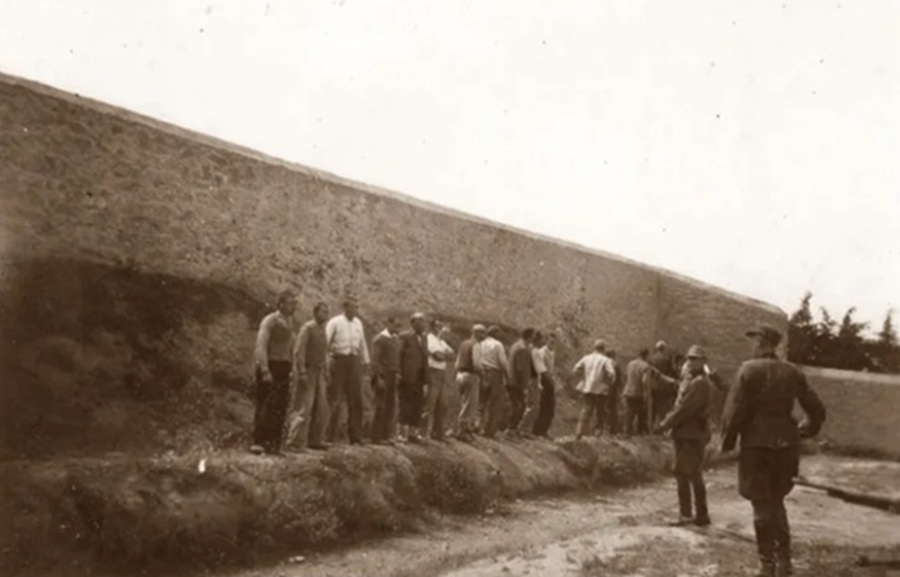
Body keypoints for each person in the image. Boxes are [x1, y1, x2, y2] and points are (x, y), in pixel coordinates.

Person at [721, 323, 826, 577]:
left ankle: (766, 565)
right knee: (777, 501)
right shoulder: (793, 371)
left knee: (761, 504)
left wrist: (727, 443)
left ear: (764, 342)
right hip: (787, 446)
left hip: (756, 445)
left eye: (755, 341)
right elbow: (817, 409)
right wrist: (807, 429)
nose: (753, 346)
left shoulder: (748, 369)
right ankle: (784, 561)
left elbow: (734, 412)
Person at [654, 345, 713, 527]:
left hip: (690, 433)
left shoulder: (700, 383)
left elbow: (685, 409)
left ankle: (686, 514)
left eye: (695, 359)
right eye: (690, 358)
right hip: (690, 432)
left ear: (703, 361)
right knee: (694, 473)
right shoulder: (695, 381)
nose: (691, 362)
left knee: (682, 472)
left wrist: (664, 424)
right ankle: (701, 515)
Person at [251, 289, 297, 455]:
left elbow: (290, 347)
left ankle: (274, 444)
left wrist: (292, 367)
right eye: (290, 303)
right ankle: (258, 442)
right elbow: (261, 345)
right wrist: (264, 369)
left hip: (284, 367)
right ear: (281, 304)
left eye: (295, 303)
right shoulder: (270, 320)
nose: (293, 306)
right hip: (270, 365)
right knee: (265, 404)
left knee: (280, 406)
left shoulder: (289, 321)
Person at [325, 295, 370, 445]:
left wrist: (366, 362)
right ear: (345, 307)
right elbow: (326, 342)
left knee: (356, 399)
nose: (355, 310)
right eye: (352, 307)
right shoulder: (335, 322)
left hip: (354, 361)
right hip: (339, 360)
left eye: (356, 307)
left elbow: (362, 343)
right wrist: (327, 360)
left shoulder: (358, 323)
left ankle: (355, 436)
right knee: (335, 399)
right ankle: (328, 436)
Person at [286, 301, 330, 451]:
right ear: (315, 312)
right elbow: (299, 351)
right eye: (323, 312)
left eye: (327, 312)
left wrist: (325, 371)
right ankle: (295, 442)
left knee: (321, 408)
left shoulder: (323, 330)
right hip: (308, 371)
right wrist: (302, 371)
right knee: (304, 406)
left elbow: (324, 353)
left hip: (319, 373)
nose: (326, 315)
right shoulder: (307, 328)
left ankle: (315, 440)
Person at [571, 339, 616, 440]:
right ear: (603, 349)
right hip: (601, 390)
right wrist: (609, 383)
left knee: (585, 410)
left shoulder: (586, 358)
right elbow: (612, 374)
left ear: (594, 348)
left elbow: (575, 370)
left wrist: (583, 378)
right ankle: (597, 434)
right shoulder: (606, 360)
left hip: (587, 388)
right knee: (600, 412)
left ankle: (579, 432)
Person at [398, 312, 429, 443]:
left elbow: (425, 358)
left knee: (417, 405)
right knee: (406, 404)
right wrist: (399, 373)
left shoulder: (424, 338)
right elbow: (399, 355)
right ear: (413, 323)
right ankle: (402, 433)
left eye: (423, 321)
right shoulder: (405, 336)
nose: (423, 324)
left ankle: (413, 433)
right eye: (420, 321)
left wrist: (426, 378)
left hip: (420, 377)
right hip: (407, 376)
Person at [370, 316, 401, 444]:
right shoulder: (379, 339)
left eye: (399, 326)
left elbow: (396, 359)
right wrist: (378, 378)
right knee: (380, 405)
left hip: (392, 375)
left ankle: (386, 435)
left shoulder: (395, 339)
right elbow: (375, 361)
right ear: (389, 324)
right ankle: (376, 436)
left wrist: (397, 373)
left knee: (390, 405)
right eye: (396, 325)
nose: (398, 328)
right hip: (383, 375)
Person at [424, 320, 456, 441]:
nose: (440, 328)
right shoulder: (429, 339)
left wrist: (443, 355)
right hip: (433, 371)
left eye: (441, 326)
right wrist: (444, 355)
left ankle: (438, 432)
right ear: (432, 327)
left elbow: (453, 355)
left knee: (442, 404)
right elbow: (437, 356)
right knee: (429, 403)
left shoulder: (441, 342)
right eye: (438, 326)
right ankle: (423, 432)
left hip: (442, 373)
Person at [455, 324, 486, 442]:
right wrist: (483, 375)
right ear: (476, 333)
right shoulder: (476, 345)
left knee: (463, 402)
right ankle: (462, 431)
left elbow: (457, 362)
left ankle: (462, 428)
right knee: (470, 404)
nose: (483, 336)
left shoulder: (464, 343)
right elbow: (477, 364)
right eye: (482, 333)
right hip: (471, 375)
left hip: (460, 374)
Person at [479, 325, 509, 439]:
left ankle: (477, 426)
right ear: (496, 334)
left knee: (481, 400)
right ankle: (489, 430)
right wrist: (507, 376)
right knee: (494, 402)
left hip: (482, 371)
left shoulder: (481, 343)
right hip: (494, 373)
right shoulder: (498, 345)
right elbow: (503, 363)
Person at [507, 328, 537, 438]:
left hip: (511, 379)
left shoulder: (515, 345)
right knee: (519, 406)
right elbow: (521, 368)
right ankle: (511, 429)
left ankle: (511, 429)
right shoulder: (523, 349)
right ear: (528, 337)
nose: (533, 339)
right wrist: (525, 386)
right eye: (532, 336)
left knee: (515, 405)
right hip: (517, 382)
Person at [622, 348, 653, 437]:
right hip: (638, 392)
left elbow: (626, 376)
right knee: (641, 413)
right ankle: (640, 432)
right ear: (646, 355)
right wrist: (645, 393)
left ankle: (627, 432)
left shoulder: (630, 364)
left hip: (628, 390)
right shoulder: (646, 366)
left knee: (629, 412)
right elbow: (644, 380)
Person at [531, 332, 557, 438]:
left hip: (549, 380)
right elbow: (541, 370)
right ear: (546, 341)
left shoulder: (552, 352)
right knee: (544, 406)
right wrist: (543, 382)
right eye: (551, 341)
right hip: (544, 381)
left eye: (554, 342)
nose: (552, 344)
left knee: (550, 407)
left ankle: (544, 430)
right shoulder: (542, 352)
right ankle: (538, 430)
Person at [649, 340, 679, 428]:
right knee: (662, 407)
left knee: (653, 407)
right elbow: (671, 371)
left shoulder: (651, 359)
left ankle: (650, 427)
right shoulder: (666, 359)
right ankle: (661, 426)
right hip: (664, 385)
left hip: (653, 386)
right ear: (663, 348)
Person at [595, 349, 622, 436]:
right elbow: (619, 381)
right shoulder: (616, 365)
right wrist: (619, 392)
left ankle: (600, 429)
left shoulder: (602, 364)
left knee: (601, 409)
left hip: (601, 390)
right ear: (613, 356)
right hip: (612, 391)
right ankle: (612, 430)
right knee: (613, 410)